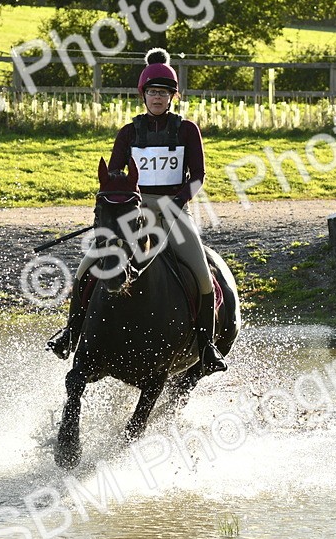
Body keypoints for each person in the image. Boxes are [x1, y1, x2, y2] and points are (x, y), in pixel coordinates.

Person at [46, 47, 227, 373]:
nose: (158, 98)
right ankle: (70, 334)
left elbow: (198, 177)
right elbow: (115, 177)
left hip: (174, 211)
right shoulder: (128, 133)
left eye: (164, 93)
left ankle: (207, 346)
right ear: (143, 94)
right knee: (86, 267)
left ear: (174, 96)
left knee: (201, 274)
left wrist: (177, 200)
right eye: (152, 92)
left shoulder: (187, 130)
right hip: (134, 211)